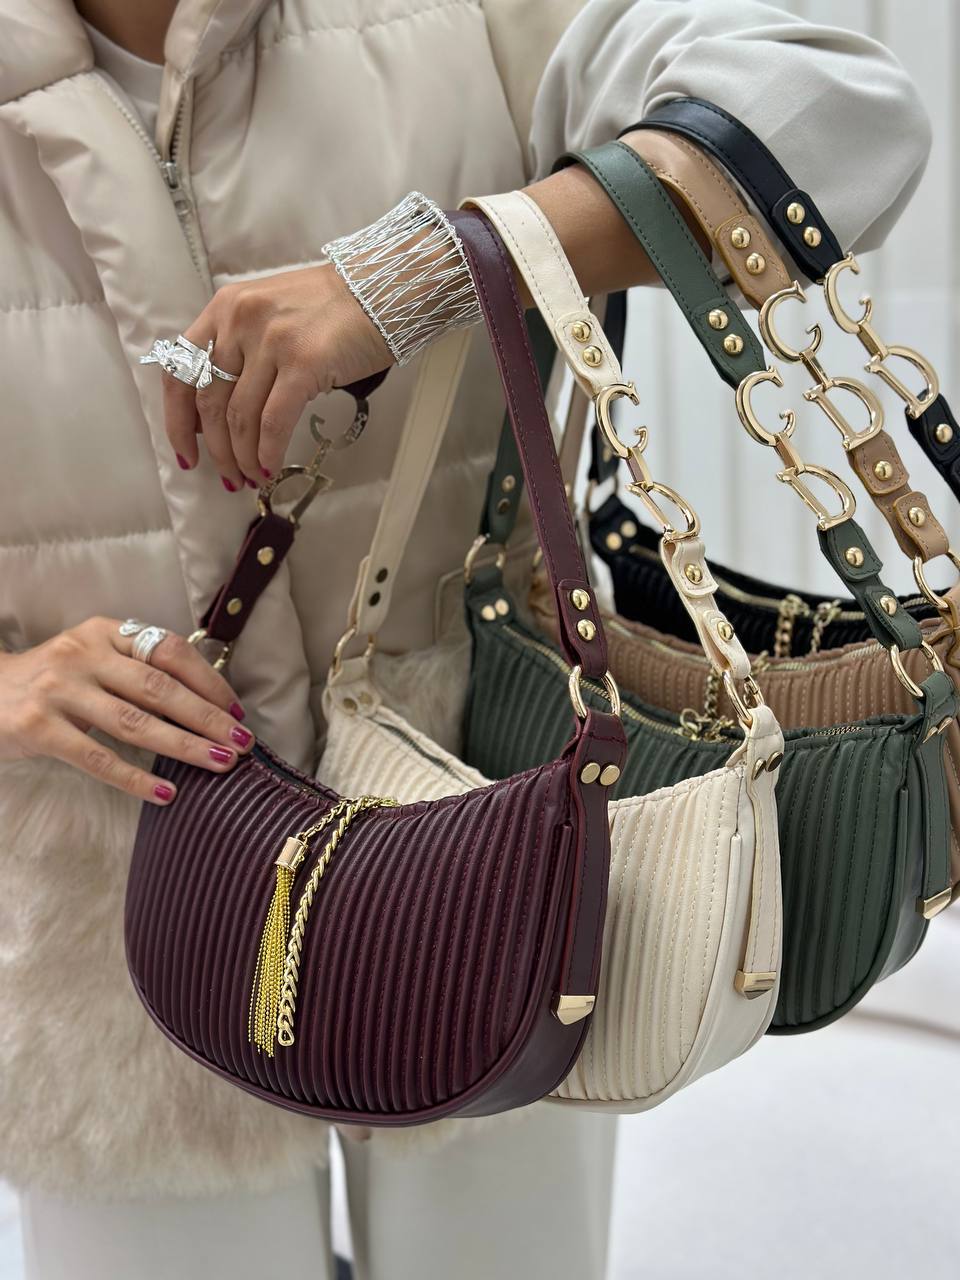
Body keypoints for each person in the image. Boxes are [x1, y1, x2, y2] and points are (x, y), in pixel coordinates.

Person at [0, 1, 931, 1277]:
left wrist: (430, 268)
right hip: (102, 906)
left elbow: (846, 111)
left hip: (496, 846)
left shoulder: (471, 13)